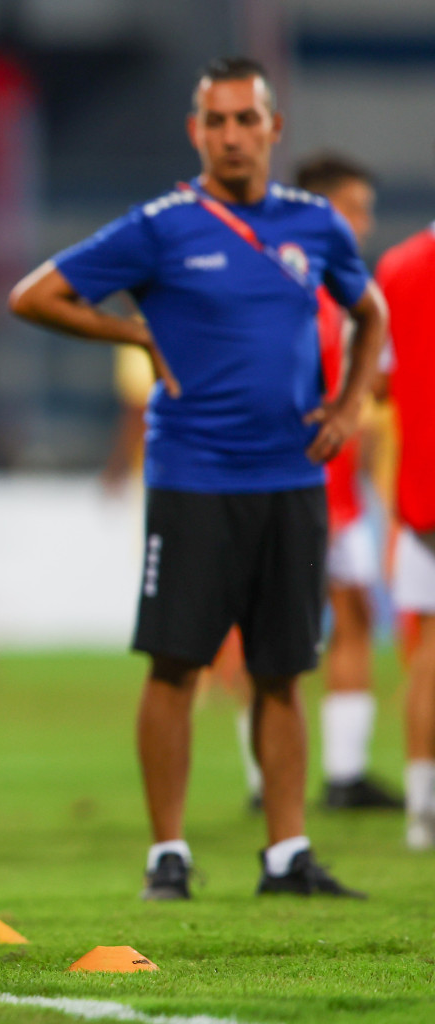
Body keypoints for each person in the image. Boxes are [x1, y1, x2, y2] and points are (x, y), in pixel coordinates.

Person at [9, 56, 386, 899]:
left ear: (273, 129)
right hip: (194, 476)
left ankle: (287, 854)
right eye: (215, 121)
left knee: (284, 667)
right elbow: (34, 297)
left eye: (245, 119)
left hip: (291, 477)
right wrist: (137, 338)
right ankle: (166, 854)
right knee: (175, 664)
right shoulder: (160, 226)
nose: (231, 135)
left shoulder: (316, 225)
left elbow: (371, 314)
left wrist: (351, 405)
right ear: (195, 131)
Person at [296, 153, 401, 811]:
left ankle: (334, 772)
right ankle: (336, 773)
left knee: (345, 619)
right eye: (353, 208)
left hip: (330, 488)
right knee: (322, 623)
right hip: (310, 487)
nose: (363, 223)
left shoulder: (319, 287)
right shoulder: (325, 292)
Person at [376, 207, 435, 848]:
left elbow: (383, 382)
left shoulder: (398, 267)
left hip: (420, 488)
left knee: (428, 656)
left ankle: (423, 807)